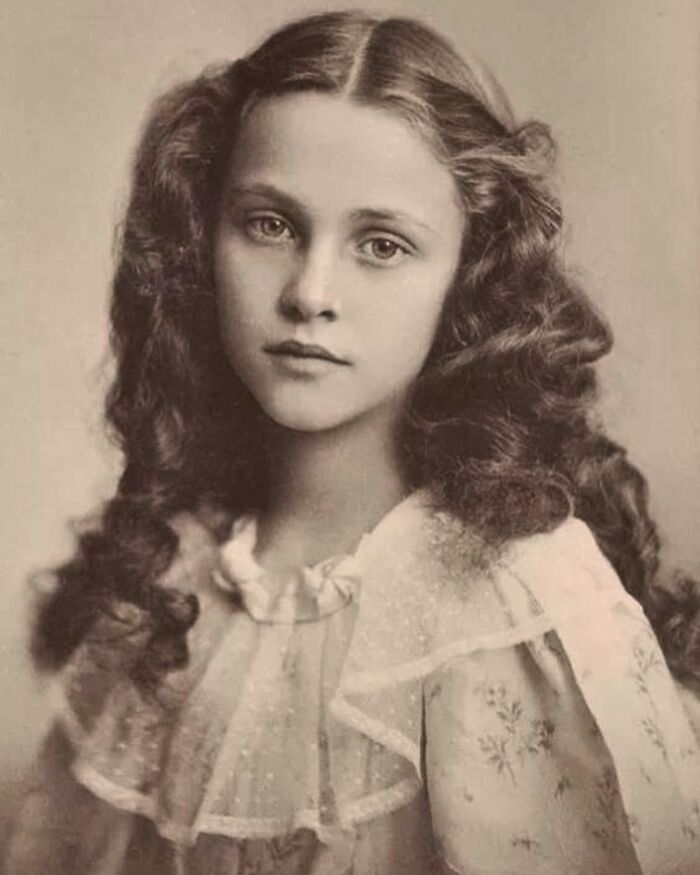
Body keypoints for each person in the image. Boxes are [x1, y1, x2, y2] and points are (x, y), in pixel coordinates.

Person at [5, 9, 700, 874]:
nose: (310, 291)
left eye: (382, 244)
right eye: (270, 224)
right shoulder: (172, 584)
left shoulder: (515, 602)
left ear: (467, 277)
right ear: (201, 238)